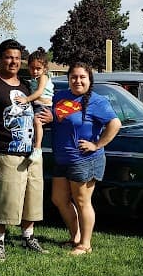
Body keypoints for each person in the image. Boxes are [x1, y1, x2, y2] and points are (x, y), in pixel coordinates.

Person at [0, 39, 50, 260]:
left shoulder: (28, 84)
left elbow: (43, 105)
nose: (13, 62)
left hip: (32, 154)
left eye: (17, 58)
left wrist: (51, 116)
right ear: (0, 59)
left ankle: (29, 237)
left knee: (32, 199)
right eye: (9, 57)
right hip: (6, 153)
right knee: (4, 201)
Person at [50, 61, 121, 256]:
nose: (77, 81)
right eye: (74, 77)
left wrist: (97, 145)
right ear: (68, 79)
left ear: (90, 80)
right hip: (62, 159)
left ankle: (85, 244)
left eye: (82, 77)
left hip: (85, 159)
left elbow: (115, 124)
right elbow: (51, 116)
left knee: (82, 201)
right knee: (59, 199)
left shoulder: (97, 101)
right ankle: (75, 237)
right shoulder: (60, 97)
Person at [14, 49, 54, 163]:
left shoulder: (43, 77)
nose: (35, 71)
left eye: (38, 68)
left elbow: (39, 92)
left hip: (44, 106)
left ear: (45, 68)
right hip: (37, 105)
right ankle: (31, 145)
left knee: (37, 121)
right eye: (32, 68)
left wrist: (26, 99)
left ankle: (37, 148)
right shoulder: (33, 80)